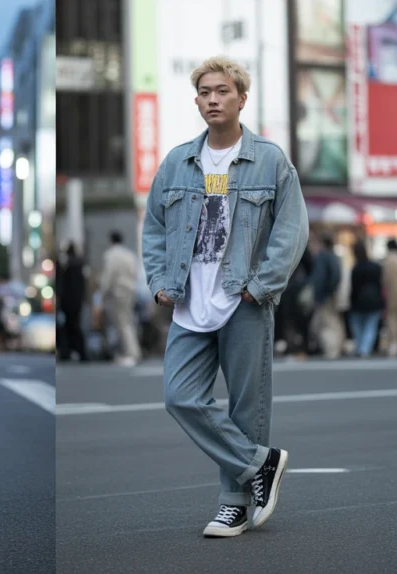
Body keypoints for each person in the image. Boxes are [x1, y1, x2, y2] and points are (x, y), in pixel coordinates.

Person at [141, 56, 308, 538]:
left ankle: (232, 504)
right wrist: (158, 280)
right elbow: (154, 226)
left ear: (241, 99)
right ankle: (262, 463)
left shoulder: (270, 159)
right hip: (189, 300)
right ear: (196, 100)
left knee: (245, 406)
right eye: (205, 92)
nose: (213, 99)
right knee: (179, 396)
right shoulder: (177, 161)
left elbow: (292, 230)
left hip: (243, 299)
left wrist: (261, 285)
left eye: (223, 91)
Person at [99, 231, 141, 366]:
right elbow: (135, 273)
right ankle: (128, 351)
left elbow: (108, 276)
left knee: (122, 323)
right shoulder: (129, 254)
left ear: (111, 240)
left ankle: (132, 353)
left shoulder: (110, 255)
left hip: (117, 292)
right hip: (130, 290)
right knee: (127, 321)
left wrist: (103, 292)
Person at [348, 241, 384, 357]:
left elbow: (353, 287)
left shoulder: (356, 268)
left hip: (359, 301)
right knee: (371, 326)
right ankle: (364, 349)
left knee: (358, 326)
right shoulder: (376, 267)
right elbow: (380, 285)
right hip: (374, 300)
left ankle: (360, 348)